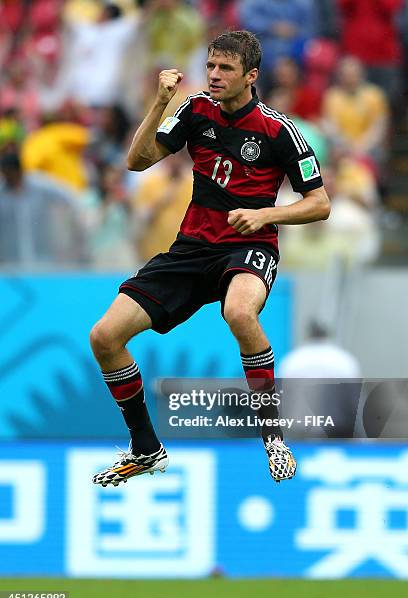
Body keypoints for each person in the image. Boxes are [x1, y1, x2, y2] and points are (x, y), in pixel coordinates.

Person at [90, 30, 330, 487]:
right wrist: (160, 103)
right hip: (191, 248)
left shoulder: (280, 131)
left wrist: (265, 215)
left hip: (249, 246)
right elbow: (137, 162)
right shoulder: (194, 110)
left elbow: (319, 203)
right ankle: (145, 449)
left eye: (225, 69)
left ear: (251, 76)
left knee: (238, 311)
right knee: (104, 337)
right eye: (211, 67)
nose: (214, 76)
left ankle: (273, 436)